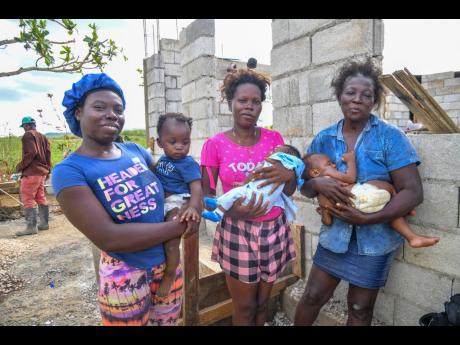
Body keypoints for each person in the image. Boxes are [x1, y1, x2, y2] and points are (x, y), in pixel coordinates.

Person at [52, 73, 195, 326]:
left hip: (168, 264)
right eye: (99, 107)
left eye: (118, 109)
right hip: (124, 272)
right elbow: (109, 237)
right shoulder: (70, 171)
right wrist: (180, 226)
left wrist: (194, 203)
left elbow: (172, 187)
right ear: (77, 113)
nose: (111, 114)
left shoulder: (136, 151)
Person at [294, 58, 427, 326]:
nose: (357, 100)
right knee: (312, 297)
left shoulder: (390, 137)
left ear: (374, 100)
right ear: (339, 96)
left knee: (360, 309)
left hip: (375, 241)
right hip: (334, 239)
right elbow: (305, 186)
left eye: (366, 95)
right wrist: (317, 185)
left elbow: (412, 192)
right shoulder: (323, 139)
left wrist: (369, 219)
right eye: (350, 93)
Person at [200, 68, 298, 326]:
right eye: (243, 100)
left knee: (263, 303)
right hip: (237, 232)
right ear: (230, 101)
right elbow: (206, 194)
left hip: (273, 232)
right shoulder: (214, 144)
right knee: (245, 306)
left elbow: (288, 190)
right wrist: (233, 211)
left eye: (256, 102)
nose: (249, 107)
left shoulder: (274, 139)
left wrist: (290, 176)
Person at [303, 151, 439, 248]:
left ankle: (412, 238)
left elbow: (327, 221)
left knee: (387, 207)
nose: (333, 165)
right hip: (360, 197)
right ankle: (408, 212)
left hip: (357, 208)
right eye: (329, 163)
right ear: (315, 173)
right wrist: (351, 161)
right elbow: (350, 178)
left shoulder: (321, 196)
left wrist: (324, 212)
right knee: (386, 186)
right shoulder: (326, 176)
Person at [154, 112, 202, 297]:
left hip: (177, 203)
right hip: (162, 203)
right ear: (160, 142)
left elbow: (197, 187)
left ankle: (170, 274)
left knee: (172, 242)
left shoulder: (188, 163)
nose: (180, 147)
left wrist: (193, 207)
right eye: (173, 142)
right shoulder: (163, 160)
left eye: (185, 142)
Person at [202, 144, 304, 223]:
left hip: (257, 199)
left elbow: (254, 173)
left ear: (283, 157)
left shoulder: (272, 165)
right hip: (264, 204)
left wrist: (243, 184)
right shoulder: (280, 170)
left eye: (274, 151)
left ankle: (218, 209)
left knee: (236, 193)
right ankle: (218, 205)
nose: (270, 152)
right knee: (236, 193)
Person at [15, 116, 51, 236]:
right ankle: (44, 224)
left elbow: (32, 152)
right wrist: (48, 170)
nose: (24, 129)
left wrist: (20, 166)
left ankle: (31, 228)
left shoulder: (28, 135)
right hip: (41, 172)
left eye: (24, 127)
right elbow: (48, 154)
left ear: (26, 126)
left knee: (27, 198)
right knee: (40, 196)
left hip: (31, 173)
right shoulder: (43, 137)